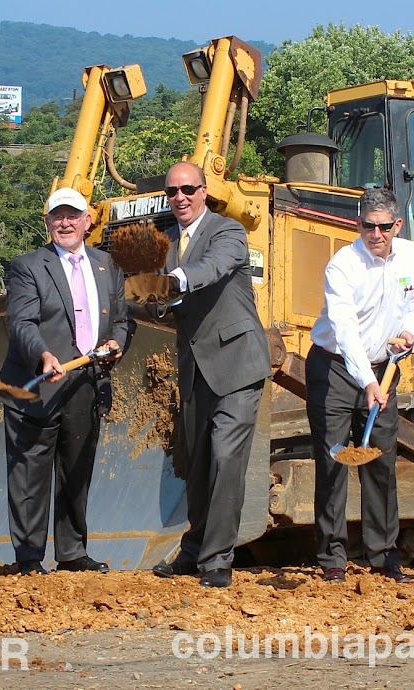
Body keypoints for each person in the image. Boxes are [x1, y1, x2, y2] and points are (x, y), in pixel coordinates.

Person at [149, 161, 272, 588]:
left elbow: (213, 268)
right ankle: (195, 546)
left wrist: (174, 281)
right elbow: (156, 300)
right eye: (172, 192)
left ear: (204, 192)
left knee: (224, 456)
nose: (179, 197)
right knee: (199, 462)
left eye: (188, 189)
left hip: (237, 362)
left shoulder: (228, 231)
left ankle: (217, 560)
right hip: (195, 366)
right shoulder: (166, 243)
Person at [0, 188, 130, 575]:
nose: (65, 223)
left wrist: (117, 342)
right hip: (37, 383)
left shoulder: (108, 265)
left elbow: (122, 319)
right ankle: (28, 556)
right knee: (29, 473)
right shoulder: (28, 266)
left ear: (88, 221)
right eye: (58, 216)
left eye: (73, 216)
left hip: (86, 383)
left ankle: (72, 552)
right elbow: (20, 321)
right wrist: (42, 353)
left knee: (77, 469)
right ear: (47, 222)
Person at [306, 187, 414, 583]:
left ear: (397, 225)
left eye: (382, 227)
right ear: (357, 223)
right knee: (333, 461)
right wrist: (366, 382)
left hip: (385, 367)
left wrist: (410, 334)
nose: (375, 234)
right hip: (336, 367)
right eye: (366, 226)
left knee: (381, 461)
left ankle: (382, 553)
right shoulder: (342, 265)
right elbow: (343, 329)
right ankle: (332, 558)